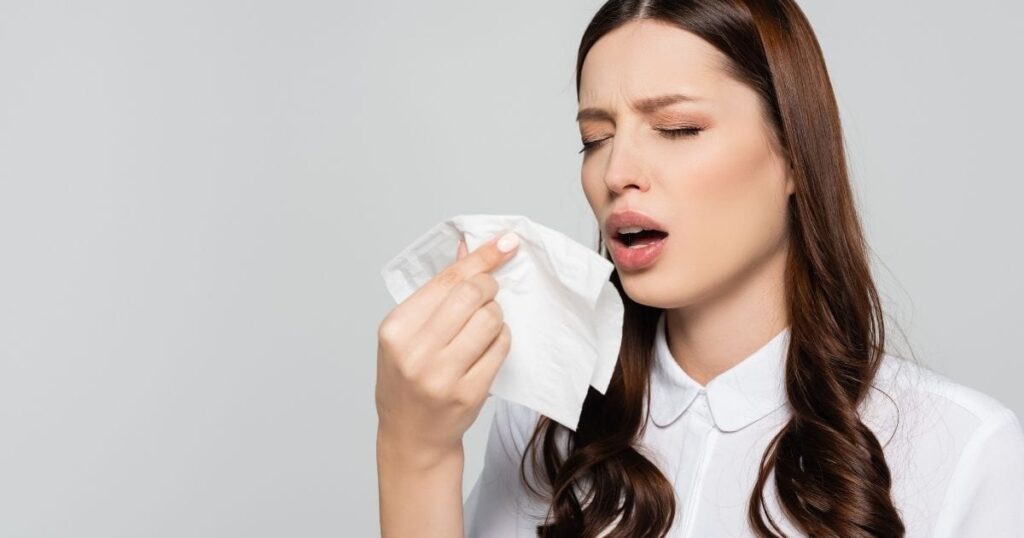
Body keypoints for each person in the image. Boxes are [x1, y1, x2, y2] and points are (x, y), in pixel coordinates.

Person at [377, 1, 1024, 536]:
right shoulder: (545, 424)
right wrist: (415, 455)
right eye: (595, 138)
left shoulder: (964, 450)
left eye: (678, 128)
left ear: (795, 154)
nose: (616, 172)